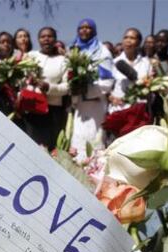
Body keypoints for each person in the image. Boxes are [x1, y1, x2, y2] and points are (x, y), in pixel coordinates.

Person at [70, 19, 114, 160]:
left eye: (88, 28)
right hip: (78, 107)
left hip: (95, 105)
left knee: (95, 143)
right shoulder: (73, 50)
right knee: (77, 143)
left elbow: (108, 82)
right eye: (81, 27)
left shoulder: (102, 52)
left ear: (94, 31)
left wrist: (86, 89)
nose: (84, 30)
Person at [26, 27, 68, 149]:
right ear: (38, 40)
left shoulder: (63, 61)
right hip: (32, 108)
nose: (46, 39)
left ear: (55, 39)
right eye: (43, 37)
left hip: (53, 111)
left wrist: (49, 87)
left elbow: (67, 87)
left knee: (50, 148)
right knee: (31, 147)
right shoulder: (30, 56)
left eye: (50, 36)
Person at [109, 28, 152, 112]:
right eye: (126, 37)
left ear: (139, 42)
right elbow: (106, 88)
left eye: (132, 38)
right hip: (118, 110)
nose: (128, 41)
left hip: (139, 111)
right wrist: (111, 98)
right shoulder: (114, 63)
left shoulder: (146, 63)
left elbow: (150, 86)